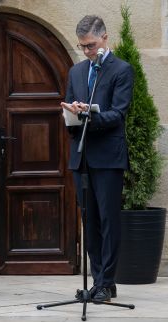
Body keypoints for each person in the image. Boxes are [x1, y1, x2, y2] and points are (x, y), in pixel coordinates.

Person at [61, 15, 134, 302]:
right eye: (82, 47)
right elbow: (69, 115)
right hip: (81, 156)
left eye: (91, 45)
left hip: (108, 156)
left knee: (108, 221)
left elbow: (119, 113)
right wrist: (71, 114)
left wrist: (90, 114)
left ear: (104, 38)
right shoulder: (77, 72)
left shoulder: (121, 70)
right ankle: (97, 281)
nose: (87, 52)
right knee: (89, 220)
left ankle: (108, 281)